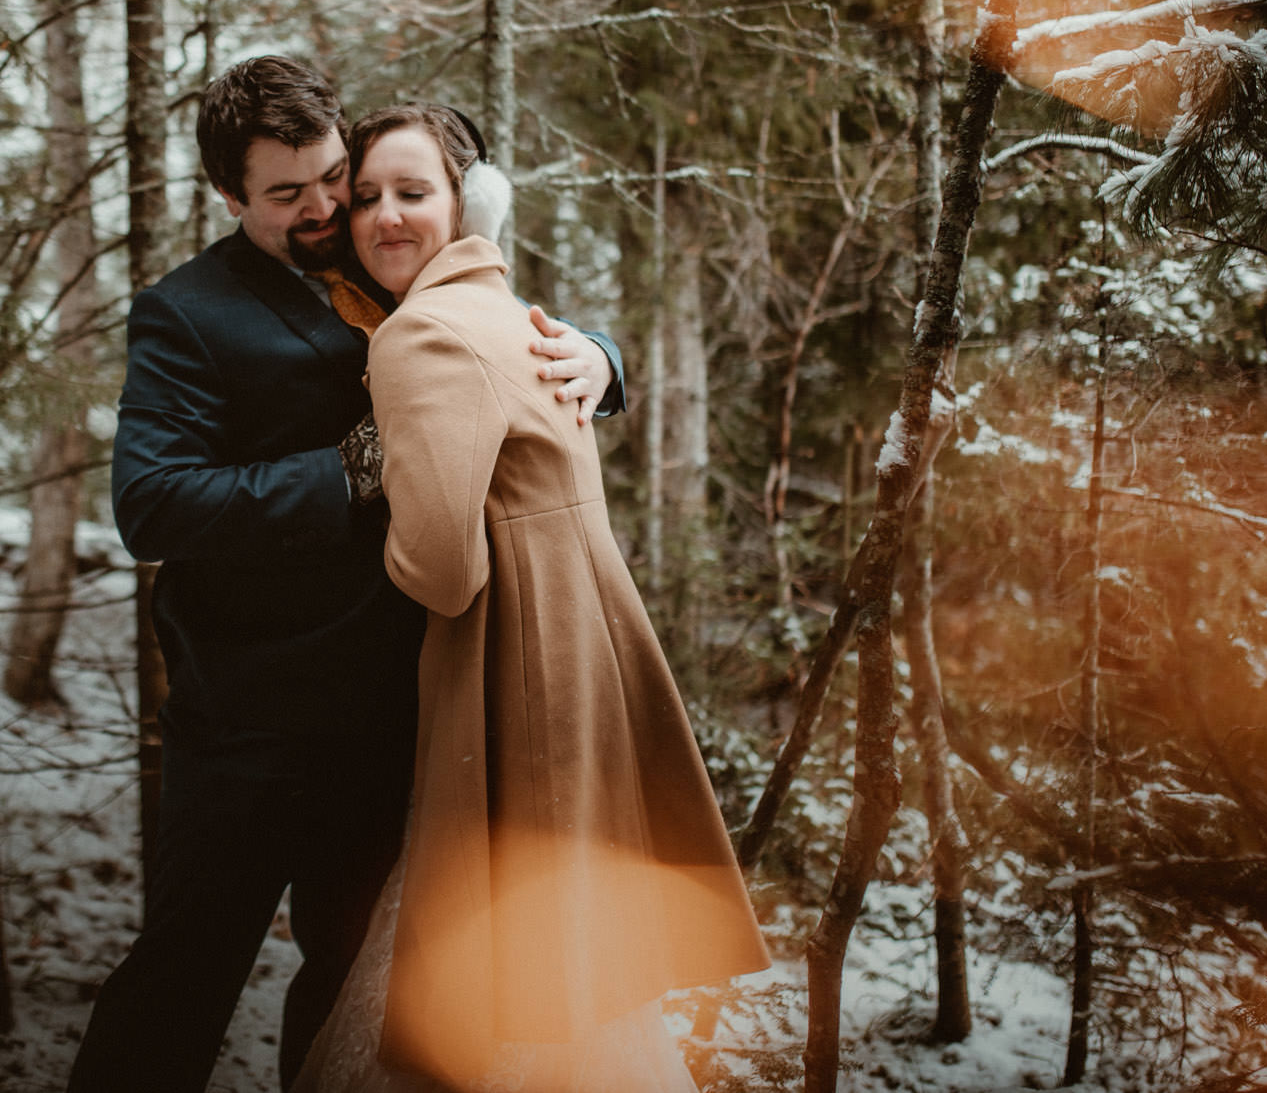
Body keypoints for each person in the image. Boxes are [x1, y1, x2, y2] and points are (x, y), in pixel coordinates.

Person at [67, 58, 626, 1093]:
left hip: (385, 720)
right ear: (230, 196)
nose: (327, 208)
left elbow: (494, 322)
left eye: (335, 176)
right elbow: (151, 502)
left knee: (348, 985)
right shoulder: (186, 312)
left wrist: (599, 353)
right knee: (181, 979)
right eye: (287, 194)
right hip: (245, 723)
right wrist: (348, 470)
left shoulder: (382, 254)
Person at [294, 106, 771, 1093]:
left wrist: (376, 505)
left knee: (478, 984)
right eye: (368, 197)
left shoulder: (418, 333)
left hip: (503, 674)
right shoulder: (523, 320)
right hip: (578, 662)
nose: (383, 215)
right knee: (552, 980)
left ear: (465, 204)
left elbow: (441, 568)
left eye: (411, 192)